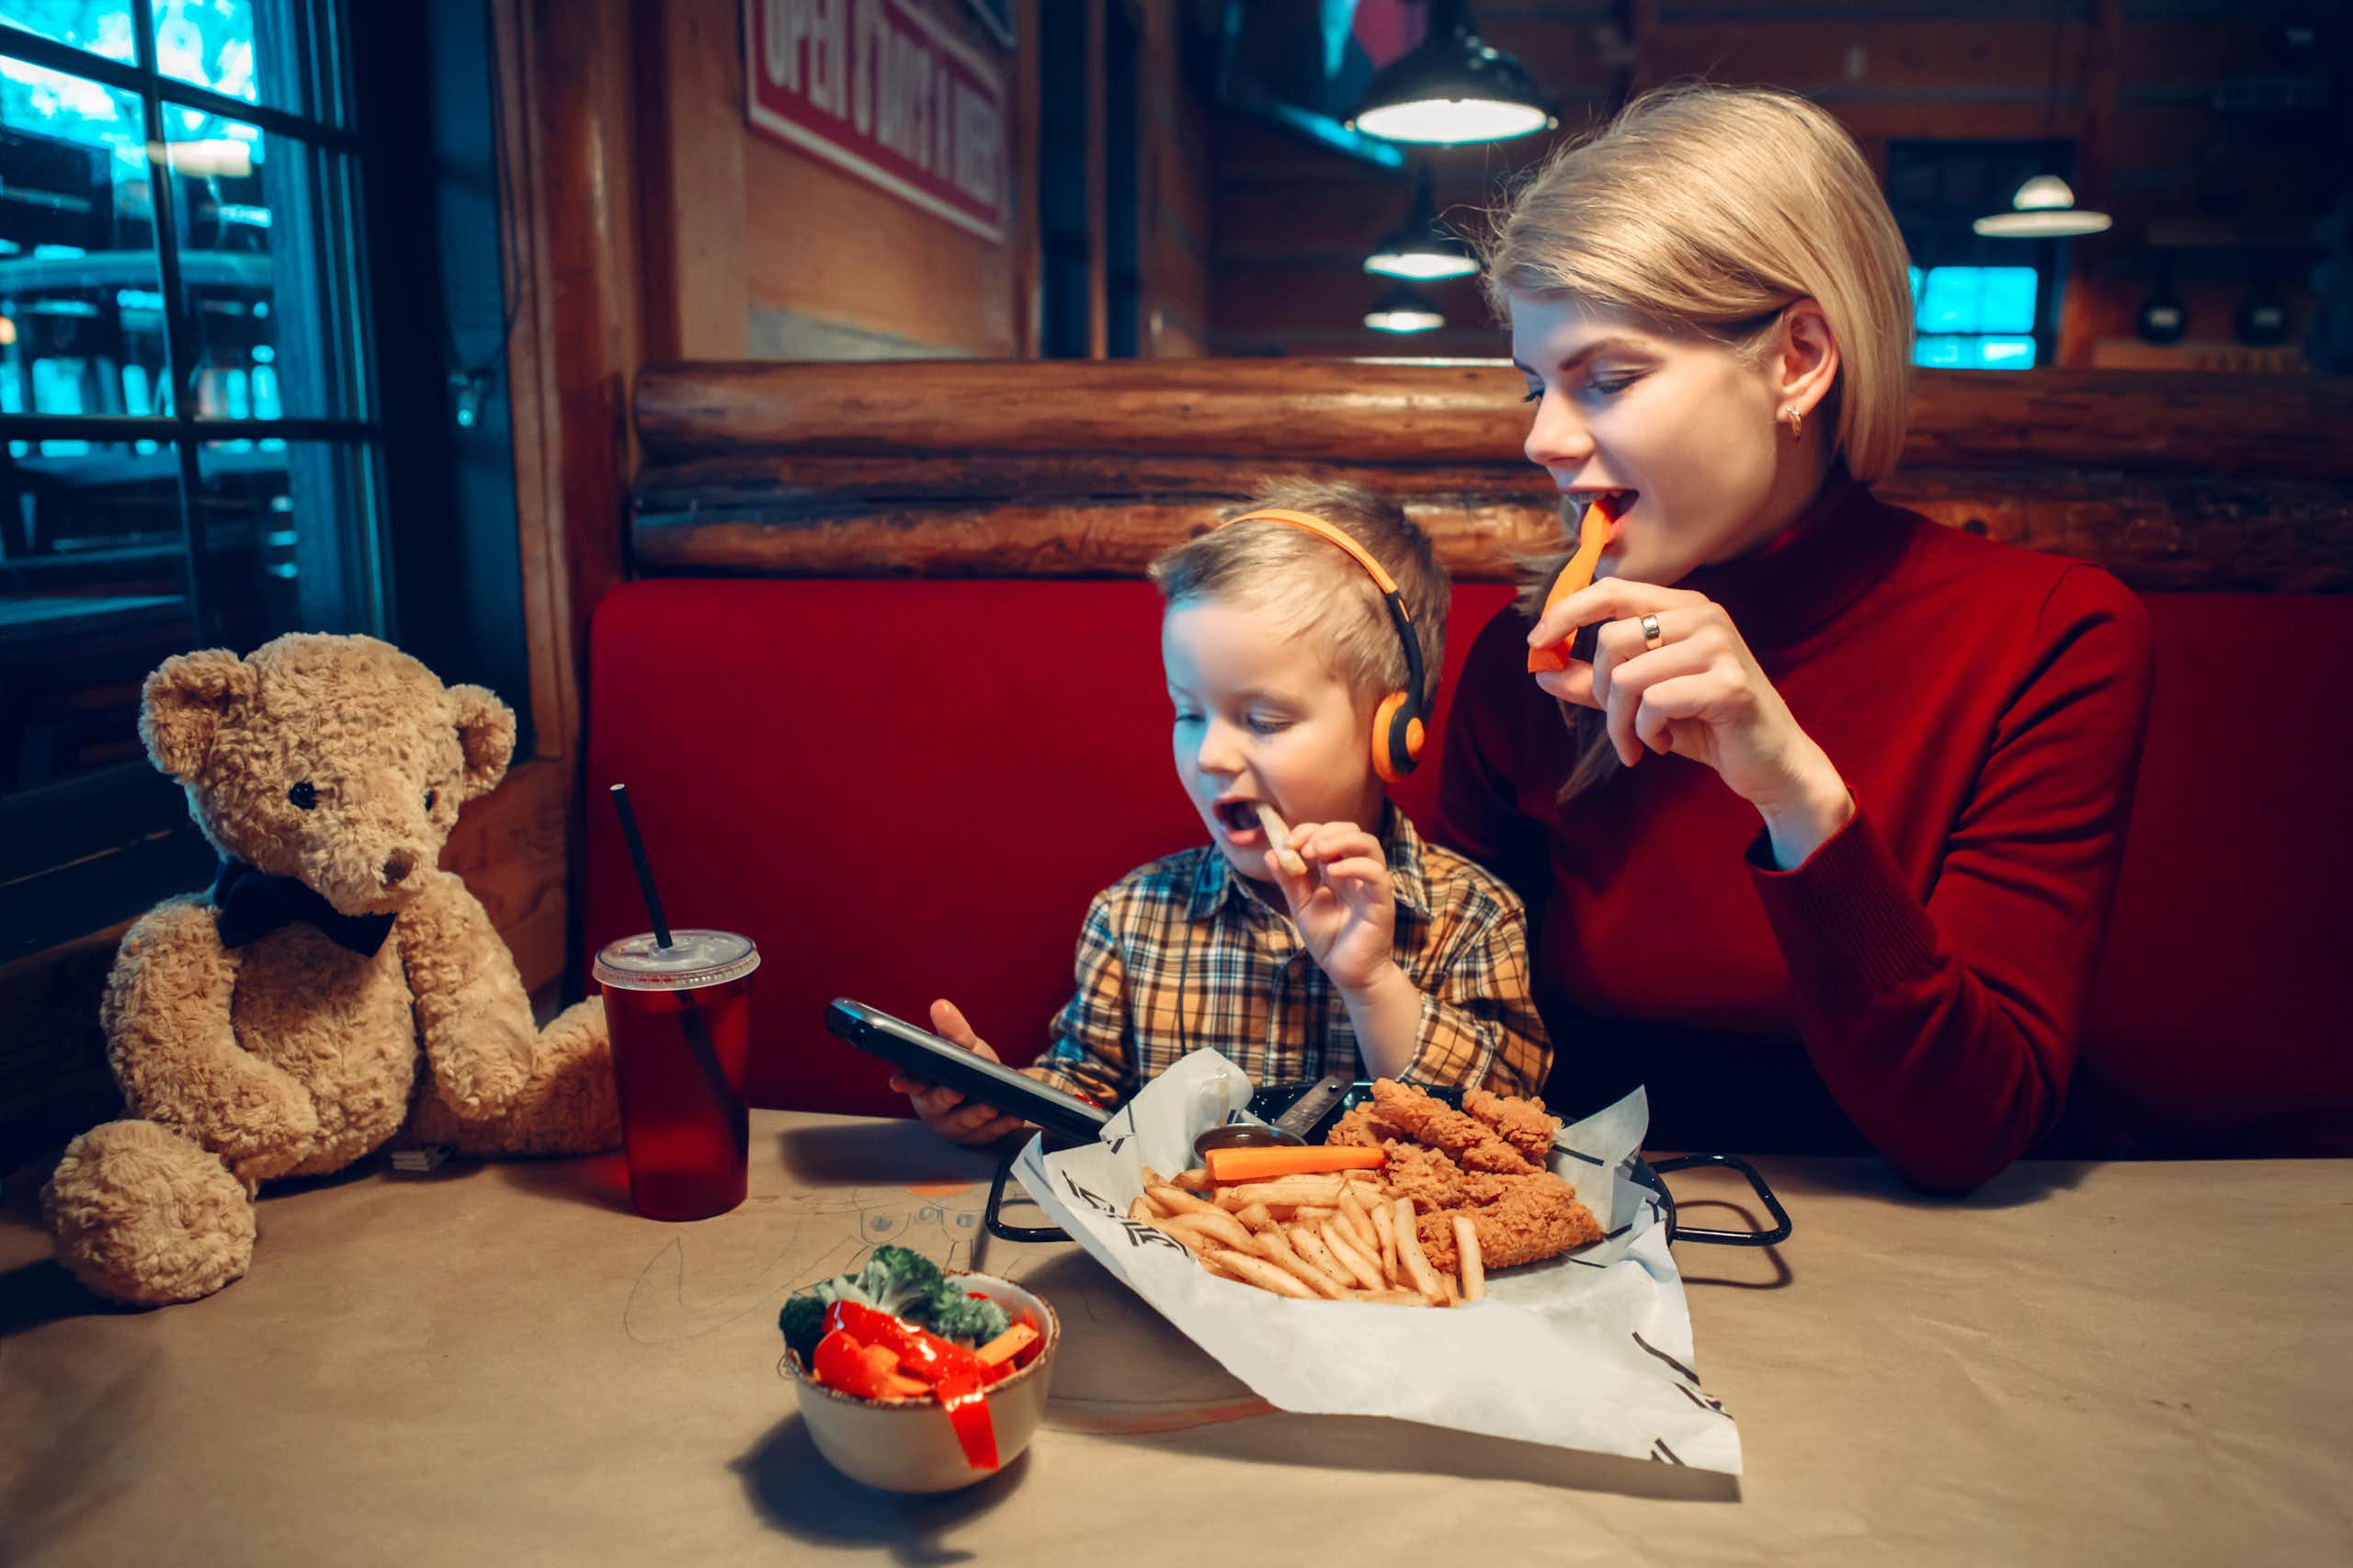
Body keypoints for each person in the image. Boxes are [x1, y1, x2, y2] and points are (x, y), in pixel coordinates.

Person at [1439, 84, 2154, 1194]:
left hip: (1938, 1285)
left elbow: (1969, 1128)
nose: (1541, 436)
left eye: (1608, 378)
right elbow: (1468, 1070)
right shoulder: (1528, 666)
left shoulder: (2053, 639)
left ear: (1799, 360)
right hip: (1577, 1269)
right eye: (1536, 383)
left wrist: (1795, 798)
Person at [895, 481, 1552, 1144]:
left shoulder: (1473, 918)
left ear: (1393, 731)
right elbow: (1085, 1099)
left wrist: (1373, 983)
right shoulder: (1131, 919)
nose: (1209, 754)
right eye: (1188, 713)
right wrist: (1000, 1101)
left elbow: (1503, 1133)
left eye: (1263, 720)